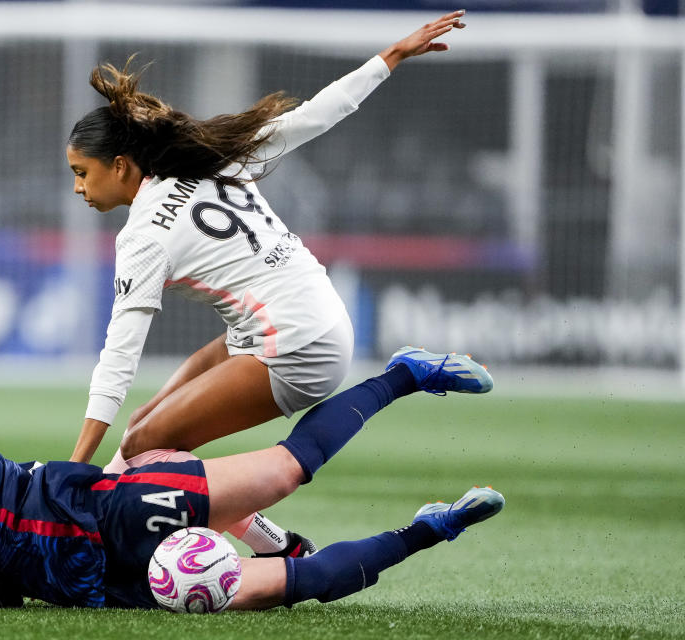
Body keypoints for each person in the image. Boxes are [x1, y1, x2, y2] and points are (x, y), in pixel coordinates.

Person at [65, 10, 469, 557]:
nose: (77, 188)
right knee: (145, 425)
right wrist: (390, 57)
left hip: (296, 344)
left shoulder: (143, 237)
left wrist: (75, 464)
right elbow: (315, 116)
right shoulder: (213, 158)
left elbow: (119, 357)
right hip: (313, 314)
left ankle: (272, 546)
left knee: (146, 443)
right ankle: (112, 515)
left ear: (119, 165)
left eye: (81, 173)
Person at [0, 346, 501, 613]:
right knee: (293, 585)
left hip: (113, 513)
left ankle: (403, 376)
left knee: (284, 471)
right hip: (104, 588)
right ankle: (428, 530)